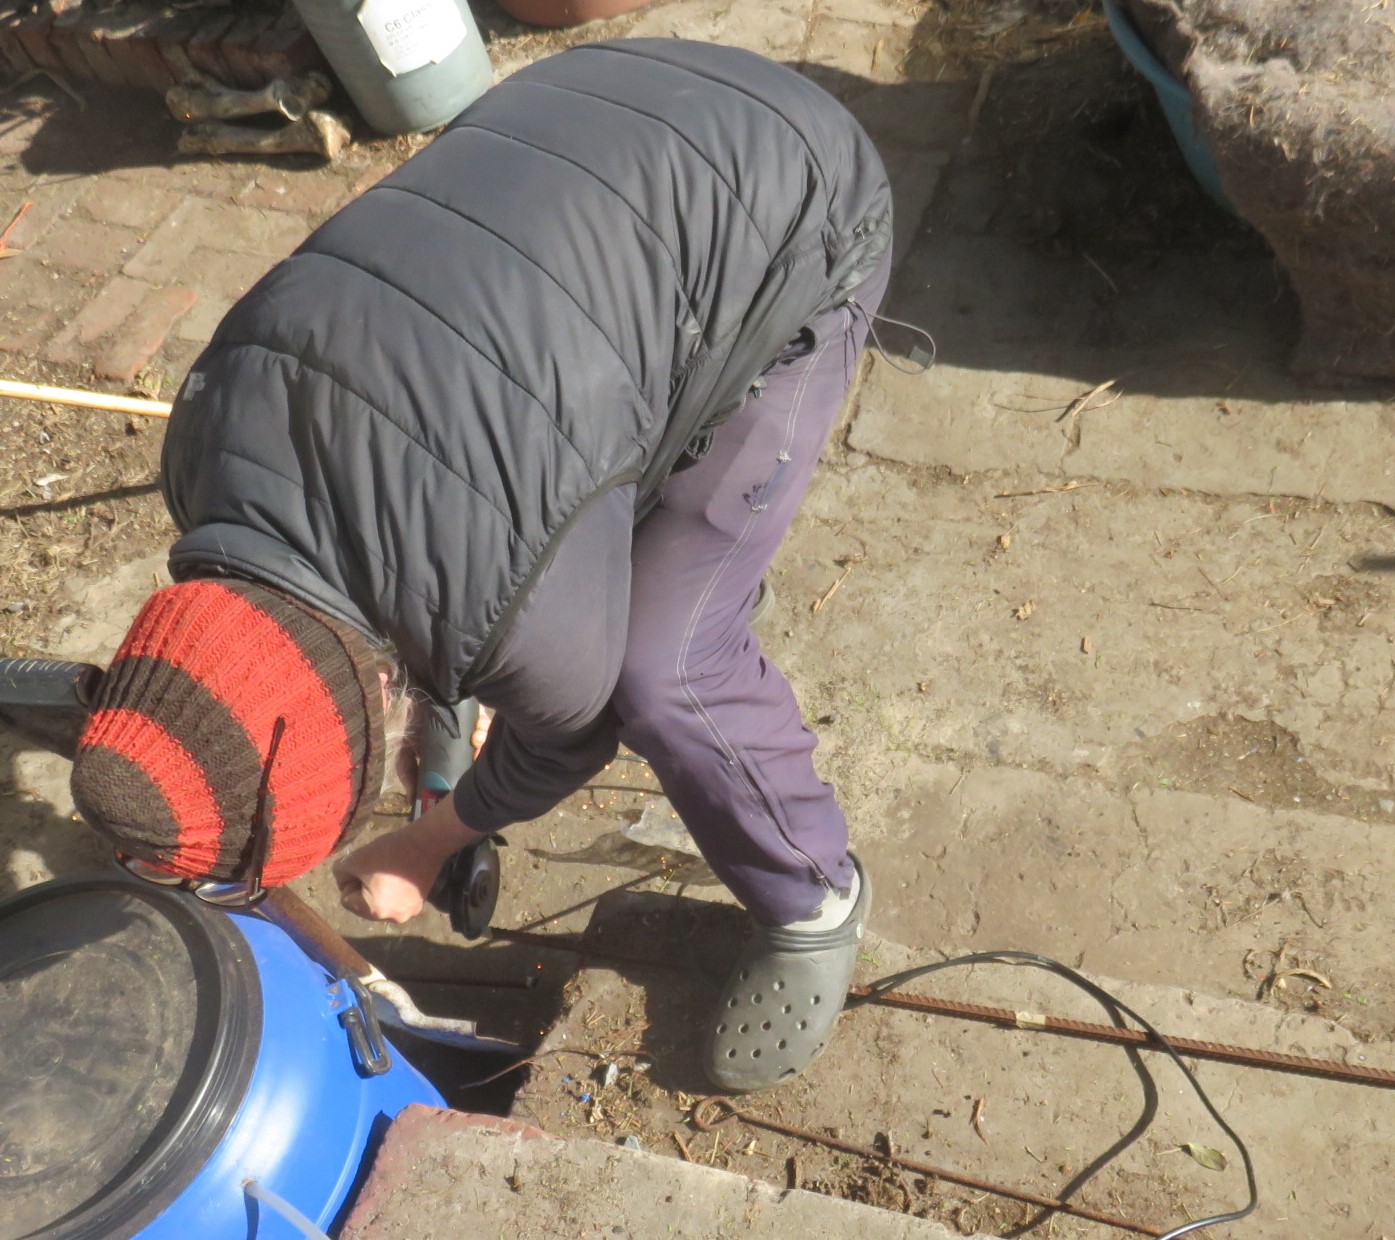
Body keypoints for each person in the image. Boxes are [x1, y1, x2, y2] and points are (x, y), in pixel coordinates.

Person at [65, 38, 893, 1093]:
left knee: (664, 662)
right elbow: (380, 527)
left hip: (794, 198)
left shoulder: (526, 635)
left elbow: (579, 721)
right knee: (551, 525)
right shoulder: (201, 445)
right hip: (597, 100)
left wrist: (431, 841)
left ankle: (814, 897)